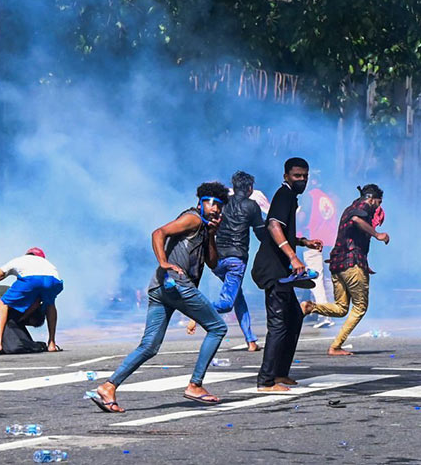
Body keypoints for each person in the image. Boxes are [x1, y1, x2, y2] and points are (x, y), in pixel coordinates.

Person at [91, 182, 230, 413]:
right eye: (210, 202)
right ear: (200, 202)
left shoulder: (205, 227)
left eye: (219, 205)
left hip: (161, 289)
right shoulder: (193, 218)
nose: (214, 209)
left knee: (149, 346)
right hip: (177, 286)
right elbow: (158, 232)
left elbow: (213, 262)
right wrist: (164, 262)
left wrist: (213, 235)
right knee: (218, 328)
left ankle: (108, 386)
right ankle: (195, 385)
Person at [251, 157, 323, 392]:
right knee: (279, 324)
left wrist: (304, 242)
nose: (302, 180)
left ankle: (280, 373)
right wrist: (293, 257)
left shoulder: (291, 197)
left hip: (280, 270)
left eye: (305, 176)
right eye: (297, 176)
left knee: (294, 317)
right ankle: (266, 380)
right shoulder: (284, 194)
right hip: (273, 270)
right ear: (286, 176)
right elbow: (273, 225)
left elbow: (283, 231)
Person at [301, 184, 389, 356]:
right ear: (371, 199)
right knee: (360, 308)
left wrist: (364, 263)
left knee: (341, 308)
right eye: (378, 203)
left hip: (339, 264)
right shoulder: (362, 207)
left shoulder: (350, 207)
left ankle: (310, 307)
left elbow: (352, 235)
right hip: (351, 264)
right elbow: (357, 220)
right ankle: (335, 346)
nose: (378, 207)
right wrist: (378, 235)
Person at [187, 171, 266, 351]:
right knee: (226, 303)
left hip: (216, 259)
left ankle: (251, 340)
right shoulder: (251, 205)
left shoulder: (222, 204)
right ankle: (196, 312)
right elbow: (261, 233)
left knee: (238, 297)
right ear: (250, 189)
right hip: (235, 260)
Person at [0, 247, 63, 355]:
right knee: (50, 304)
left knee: (4, 303)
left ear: (27, 254)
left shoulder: (20, 260)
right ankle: (52, 343)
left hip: (31, 279)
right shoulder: (47, 263)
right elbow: (37, 301)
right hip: (53, 280)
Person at [298, 172, 338, 329]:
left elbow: (302, 217)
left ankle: (324, 315)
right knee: (327, 279)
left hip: (313, 241)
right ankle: (332, 310)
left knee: (316, 278)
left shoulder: (310, 196)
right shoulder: (327, 198)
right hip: (328, 241)